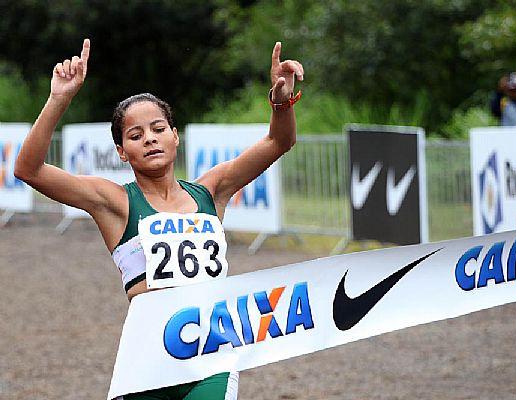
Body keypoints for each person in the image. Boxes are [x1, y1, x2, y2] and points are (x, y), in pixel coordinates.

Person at [14, 38, 304, 400]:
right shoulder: (116, 203)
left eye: (158, 129)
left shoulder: (210, 192)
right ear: (121, 151)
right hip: (147, 360)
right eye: (136, 135)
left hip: (212, 354)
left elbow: (279, 141)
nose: (149, 139)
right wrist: (59, 99)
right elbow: (29, 169)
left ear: (175, 136)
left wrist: (280, 102)